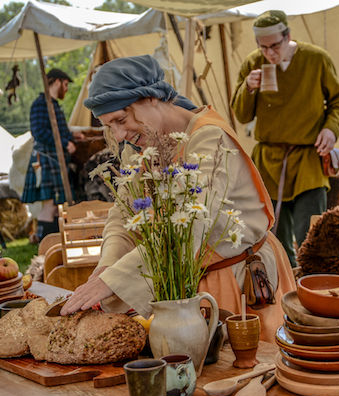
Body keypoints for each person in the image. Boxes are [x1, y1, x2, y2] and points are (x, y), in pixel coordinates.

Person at [60, 55, 296, 342]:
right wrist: (106, 268)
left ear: (151, 98)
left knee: (243, 371)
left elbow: (189, 226)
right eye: (110, 126)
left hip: (237, 283)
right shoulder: (139, 146)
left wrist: (114, 281)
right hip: (182, 288)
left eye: (121, 119)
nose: (120, 134)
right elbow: (124, 215)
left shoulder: (209, 139)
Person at [231, 10, 339, 267]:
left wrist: (330, 130)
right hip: (268, 162)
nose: (270, 53)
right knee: (275, 239)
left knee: (311, 236)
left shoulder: (316, 60)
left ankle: (312, 291)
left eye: (275, 46)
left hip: (308, 159)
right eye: (263, 47)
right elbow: (241, 115)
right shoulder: (253, 64)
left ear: (288, 37)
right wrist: (248, 88)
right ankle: (285, 295)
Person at [21, 68, 76, 241]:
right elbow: (39, 132)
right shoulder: (40, 104)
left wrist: (72, 137)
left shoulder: (53, 104)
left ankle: (53, 243)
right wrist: (65, 143)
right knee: (50, 204)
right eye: (65, 84)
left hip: (54, 158)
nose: (66, 89)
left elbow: (59, 130)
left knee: (57, 204)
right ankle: (45, 244)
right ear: (57, 82)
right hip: (46, 158)